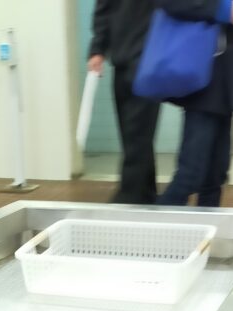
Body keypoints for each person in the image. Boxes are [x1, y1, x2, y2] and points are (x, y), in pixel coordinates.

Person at [157, 0, 233, 208]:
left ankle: (208, 225)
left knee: (216, 174)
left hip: (228, 78)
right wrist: (225, 8)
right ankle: (156, 224)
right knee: (191, 173)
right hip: (203, 76)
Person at [88, 0, 160, 205]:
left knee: (137, 135)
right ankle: (146, 195)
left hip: (149, 60)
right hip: (122, 61)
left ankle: (129, 198)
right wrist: (97, 49)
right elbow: (104, 8)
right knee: (132, 135)